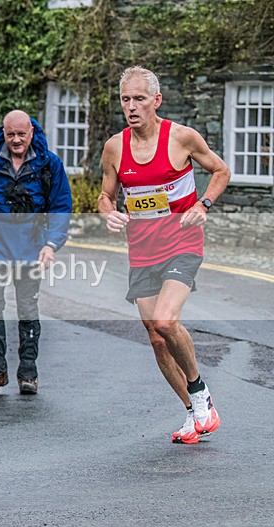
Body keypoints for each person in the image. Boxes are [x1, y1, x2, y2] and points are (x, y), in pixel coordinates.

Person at [98, 66, 230, 444]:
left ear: (156, 101)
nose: (132, 106)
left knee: (166, 320)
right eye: (126, 99)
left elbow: (220, 170)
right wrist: (110, 213)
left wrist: (203, 204)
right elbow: (105, 196)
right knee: (156, 337)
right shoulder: (114, 147)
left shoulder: (182, 138)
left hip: (182, 243)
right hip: (142, 250)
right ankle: (193, 413)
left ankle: (201, 393)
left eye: (139, 98)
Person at [0, 110, 72, 396]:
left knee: (27, 309)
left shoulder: (50, 163)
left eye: (21, 134)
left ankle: (28, 373)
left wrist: (51, 244)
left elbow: (61, 206)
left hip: (31, 249)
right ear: (3, 131)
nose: (15, 140)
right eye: (10, 134)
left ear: (31, 133)